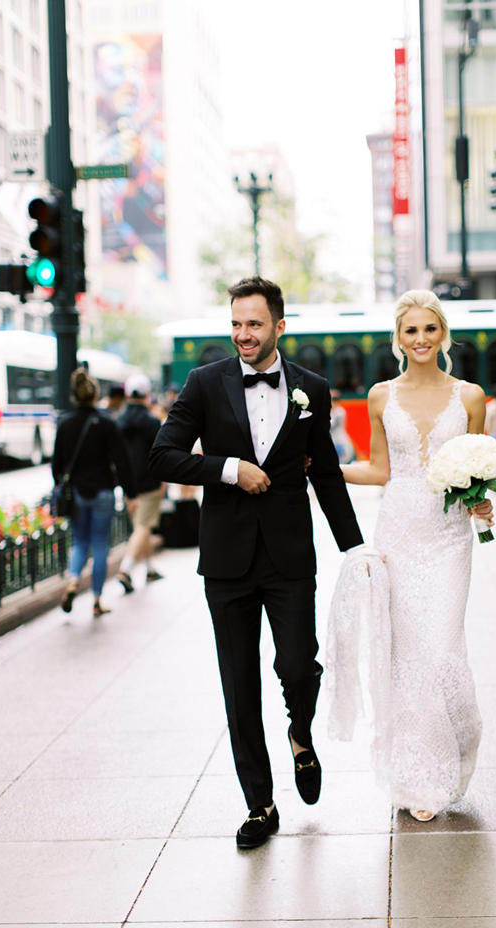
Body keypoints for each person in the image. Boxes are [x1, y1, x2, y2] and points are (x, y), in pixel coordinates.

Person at [148, 276, 364, 849]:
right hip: (226, 561)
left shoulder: (312, 389)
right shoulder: (203, 383)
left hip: (291, 553)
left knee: (298, 665)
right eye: (237, 324)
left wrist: (355, 548)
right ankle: (260, 806)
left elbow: (327, 474)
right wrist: (227, 468)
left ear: (279, 327)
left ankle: (300, 733)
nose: (243, 335)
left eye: (255, 324)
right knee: (239, 684)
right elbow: (162, 455)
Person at [338, 289, 493, 822]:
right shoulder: (381, 396)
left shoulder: (471, 396)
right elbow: (380, 469)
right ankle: (420, 776)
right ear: (398, 339)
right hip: (398, 532)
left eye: (430, 329)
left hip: (450, 538)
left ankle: (460, 744)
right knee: (409, 656)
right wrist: (325, 470)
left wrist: (482, 504)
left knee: (444, 648)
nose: (422, 339)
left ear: (443, 334)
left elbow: (480, 471)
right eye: (411, 331)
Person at [52, 368, 137, 618]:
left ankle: (73, 580)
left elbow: (56, 465)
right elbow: (123, 463)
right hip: (103, 493)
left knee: (79, 542)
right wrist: (131, 494)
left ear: (73, 396)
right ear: (96, 394)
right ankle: (97, 600)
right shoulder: (107, 424)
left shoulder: (65, 424)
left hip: (77, 493)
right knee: (100, 545)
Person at [117, 373, 166, 591]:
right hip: (150, 480)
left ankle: (149, 568)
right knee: (144, 526)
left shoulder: (118, 421)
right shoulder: (152, 422)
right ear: (147, 394)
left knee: (139, 525)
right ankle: (126, 569)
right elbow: (160, 453)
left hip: (128, 482)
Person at [329, 389, 355, 464]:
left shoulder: (339, 411)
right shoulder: (332, 412)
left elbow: (330, 425)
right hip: (334, 443)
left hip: (340, 444)